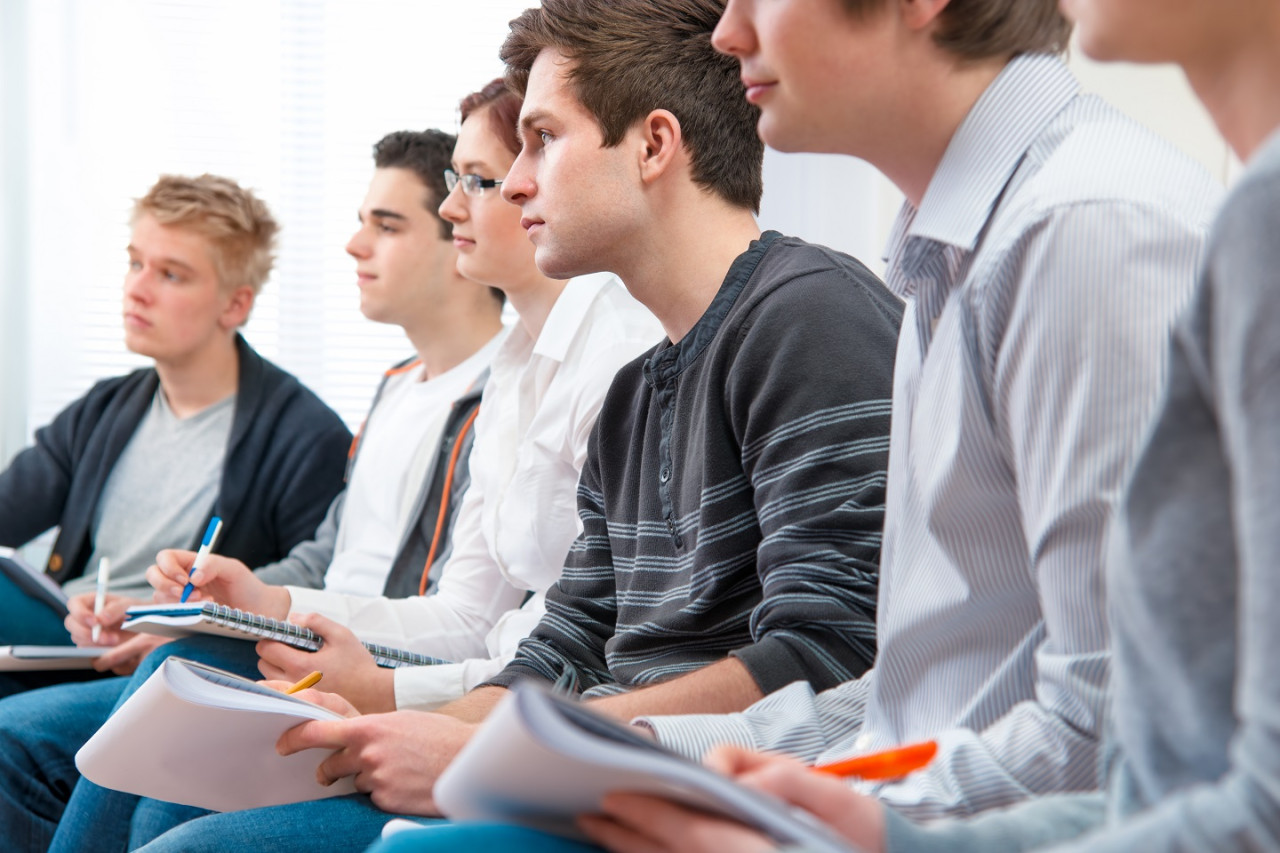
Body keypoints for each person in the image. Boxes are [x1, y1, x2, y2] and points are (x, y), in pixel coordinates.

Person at [376, 0, 1230, 849]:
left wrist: (797, 812)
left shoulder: (1081, 231)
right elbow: (904, 700)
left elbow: (1108, 736)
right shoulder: (952, 254)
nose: (727, 32)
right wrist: (646, 756)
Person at [122, 0, 902, 847]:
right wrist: (394, 731)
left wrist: (483, 746)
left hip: (684, 790)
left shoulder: (809, 318)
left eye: (543, 140)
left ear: (653, 145)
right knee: (189, 799)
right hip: (586, 758)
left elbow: (828, 652)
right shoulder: (637, 392)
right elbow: (561, 647)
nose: (516, 181)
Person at [33, 86, 662, 853]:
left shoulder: (600, 360)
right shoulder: (466, 378)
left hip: (455, 682)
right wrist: (266, 599)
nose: (454, 209)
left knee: (189, 672)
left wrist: (375, 682)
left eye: (473, 183)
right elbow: (454, 602)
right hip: (431, 669)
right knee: (172, 678)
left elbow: (527, 630)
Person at [0, 174, 351, 696]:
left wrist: (167, 621)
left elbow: (307, 593)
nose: (136, 289)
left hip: (168, 663)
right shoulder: (103, 408)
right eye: (136, 262)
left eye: (171, 274)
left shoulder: (305, 435)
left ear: (235, 305)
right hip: (68, 639)